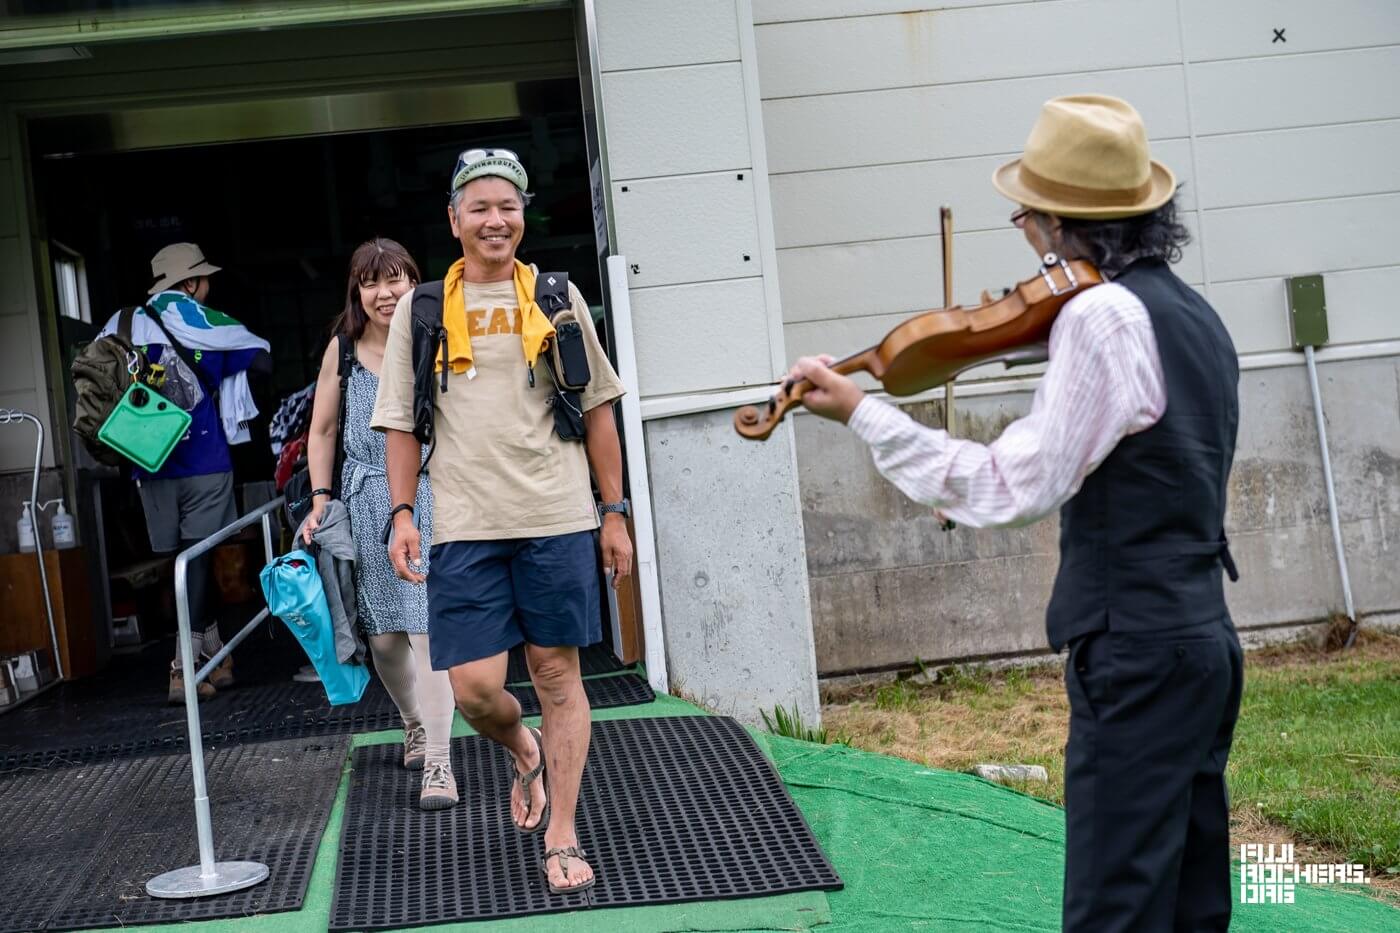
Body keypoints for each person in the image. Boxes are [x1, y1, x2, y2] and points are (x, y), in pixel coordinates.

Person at [786, 95, 1244, 932]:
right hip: (1204, 638)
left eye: (1027, 217)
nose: (1026, 240)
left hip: (1136, 646)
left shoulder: (1103, 316)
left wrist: (863, 411)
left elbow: (1007, 486)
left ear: (1058, 225)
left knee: (1117, 903)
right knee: (1191, 895)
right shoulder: (1194, 314)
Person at [372, 148, 632, 893]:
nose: (496, 219)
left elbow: (597, 408)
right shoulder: (423, 310)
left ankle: (563, 830)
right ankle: (525, 752)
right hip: (463, 522)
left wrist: (613, 512)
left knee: (557, 671)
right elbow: (398, 424)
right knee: (476, 688)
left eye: (508, 206)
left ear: (524, 215)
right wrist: (400, 514)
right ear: (454, 220)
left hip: (555, 514)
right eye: (480, 207)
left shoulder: (556, 296)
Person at [300, 237, 458, 810]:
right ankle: (414, 721)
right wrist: (320, 498)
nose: (385, 293)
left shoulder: (436, 334)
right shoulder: (342, 349)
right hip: (365, 495)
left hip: (431, 493)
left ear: (416, 280)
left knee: (426, 628)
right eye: (372, 282)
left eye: (397, 278)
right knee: (384, 635)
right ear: (357, 291)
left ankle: (439, 762)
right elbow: (321, 431)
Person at [98, 242, 271, 704]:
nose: (207, 286)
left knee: (182, 564)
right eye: (203, 278)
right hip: (204, 461)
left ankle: (216, 653)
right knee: (195, 562)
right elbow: (260, 356)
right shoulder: (203, 321)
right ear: (190, 283)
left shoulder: (121, 323)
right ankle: (182, 667)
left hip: (146, 461)